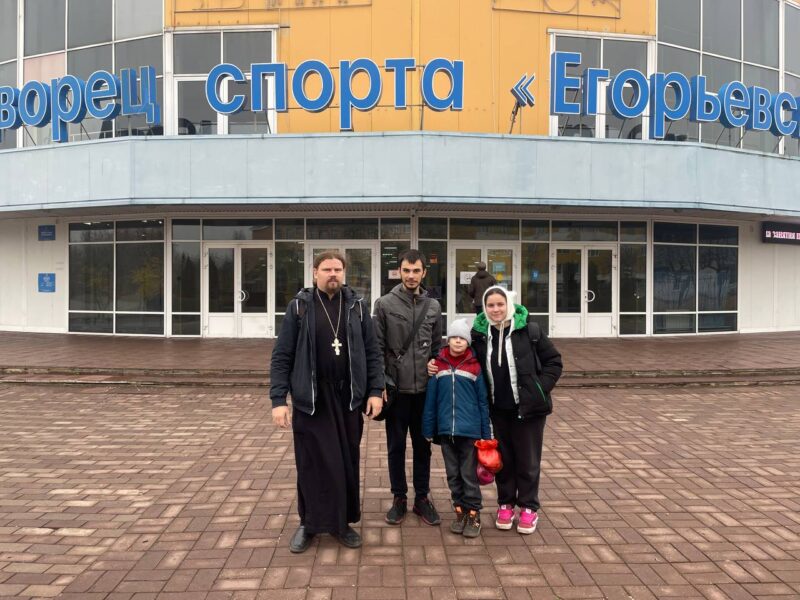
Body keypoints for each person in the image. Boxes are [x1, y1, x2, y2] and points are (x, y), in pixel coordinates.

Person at [270, 250, 384, 553]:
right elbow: (282, 356)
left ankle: (341, 523)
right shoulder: (299, 307)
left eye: (337, 269)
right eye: (327, 269)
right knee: (312, 464)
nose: (333, 274)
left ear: (344, 273)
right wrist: (278, 399)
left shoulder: (357, 307)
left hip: (347, 398)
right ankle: (309, 524)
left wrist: (375, 390)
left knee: (344, 462)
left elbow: (373, 352)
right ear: (314, 273)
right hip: (312, 399)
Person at [471, 286, 562, 534]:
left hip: (528, 409)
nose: (496, 309)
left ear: (508, 305)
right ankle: (506, 504)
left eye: (500, 304)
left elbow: (554, 361)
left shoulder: (529, 330)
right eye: (490, 305)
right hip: (497, 410)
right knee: (504, 460)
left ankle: (529, 507)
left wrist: (539, 389)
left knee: (528, 460)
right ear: (484, 308)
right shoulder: (480, 335)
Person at [373, 249, 443, 526]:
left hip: (424, 392)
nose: (411, 276)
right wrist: (380, 383)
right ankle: (399, 498)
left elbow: (437, 348)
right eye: (406, 270)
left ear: (424, 272)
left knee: (423, 448)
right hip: (396, 391)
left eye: (416, 271)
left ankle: (421, 498)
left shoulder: (433, 307)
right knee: (396, 447)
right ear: (399, 272)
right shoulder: (384, 304)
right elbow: (377, 348)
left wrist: (436, 364)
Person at [422, 318, 491, 538]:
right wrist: (428, 429)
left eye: (462, 338)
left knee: (469, 475)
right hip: (446, 433)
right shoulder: (438, 366)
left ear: (468, 342)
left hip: (470, 433)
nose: (458, 341)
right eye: (454, 337)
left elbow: (482, 402)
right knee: (453, 475)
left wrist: (486, 435)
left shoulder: (475, 367)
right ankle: (460, 511)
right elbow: (430, 401)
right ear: (448, 340)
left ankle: (474, 514)